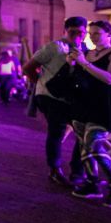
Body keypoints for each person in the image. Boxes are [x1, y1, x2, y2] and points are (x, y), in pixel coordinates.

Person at [67, 20, 111, 208]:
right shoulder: (88, 53)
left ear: (109, 34)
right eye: (90, 33)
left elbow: (110, 79)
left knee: (94, 146)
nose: (92, 36)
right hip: (82, 106)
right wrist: (71, 63)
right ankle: (92, 184)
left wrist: (84, 63)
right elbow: (78, 77)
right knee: (84, 149)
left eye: (97, 33)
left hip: (103, 107)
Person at [23, 16, 86, 187]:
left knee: (82, 131)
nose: (77, 36)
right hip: (50, 97)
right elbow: (28, 67)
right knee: (56, 131)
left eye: (81, 32)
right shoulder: (54, 47)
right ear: (64, 31)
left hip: (70, 98)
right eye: (72, 32)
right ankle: (54, 170)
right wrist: (41, 84)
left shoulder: (84, 50)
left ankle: (78, 171)